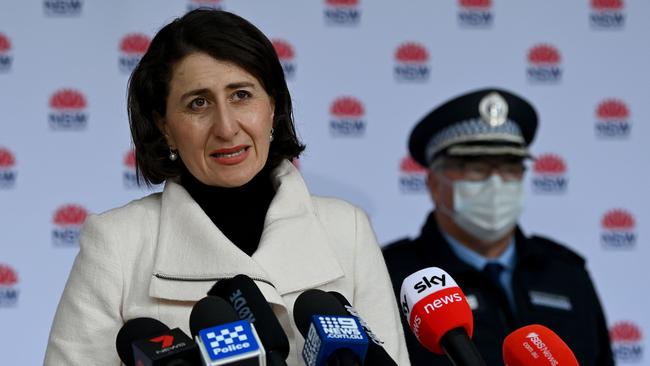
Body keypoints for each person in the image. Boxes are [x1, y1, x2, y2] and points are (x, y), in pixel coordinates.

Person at [44, 9, 409, 365]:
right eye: (198, 103)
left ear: (273, 106)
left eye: (241, 95)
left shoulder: (347, 229)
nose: (226, 126)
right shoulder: (118, 244)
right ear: (165, 126)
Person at [383, 88, 614, 365]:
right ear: (434, 184)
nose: (496, 184)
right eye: (476, 169)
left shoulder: (566, 273)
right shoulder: (394, 280)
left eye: (510, 168)